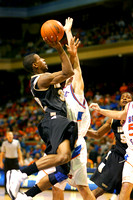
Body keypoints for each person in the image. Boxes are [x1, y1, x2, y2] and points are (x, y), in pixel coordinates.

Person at [14, 17, 96, 200]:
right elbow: (66, 69)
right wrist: (64, 42)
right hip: (61, 131)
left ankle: (26, 193)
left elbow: (74, 68)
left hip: (74, 138)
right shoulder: (57, 92)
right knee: (58, 182)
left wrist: (67, 34)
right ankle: (25, 190)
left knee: (66, 179)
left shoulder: (77, 90)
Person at [6, 29, 78, 200]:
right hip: (54, 119)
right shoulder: (40, 79)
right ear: (35, 65)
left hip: (58, 120)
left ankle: (27, 196)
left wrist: (69, 51)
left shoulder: (46, 78)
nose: (44, 60)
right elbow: (68, 72)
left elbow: (69, 71)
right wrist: (60, 49)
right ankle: (20, 174)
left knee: (63, 163)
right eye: (41, 58)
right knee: (62, 158)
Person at [89, 81, 133, 200]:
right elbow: (98, 134)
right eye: (123, 97)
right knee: (104, 189)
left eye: (128, 97)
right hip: (122, 155)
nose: (125, 99)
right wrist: (82, 130)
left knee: (132, 194)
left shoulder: (132, 109)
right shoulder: (115, 117)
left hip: (130, 153)